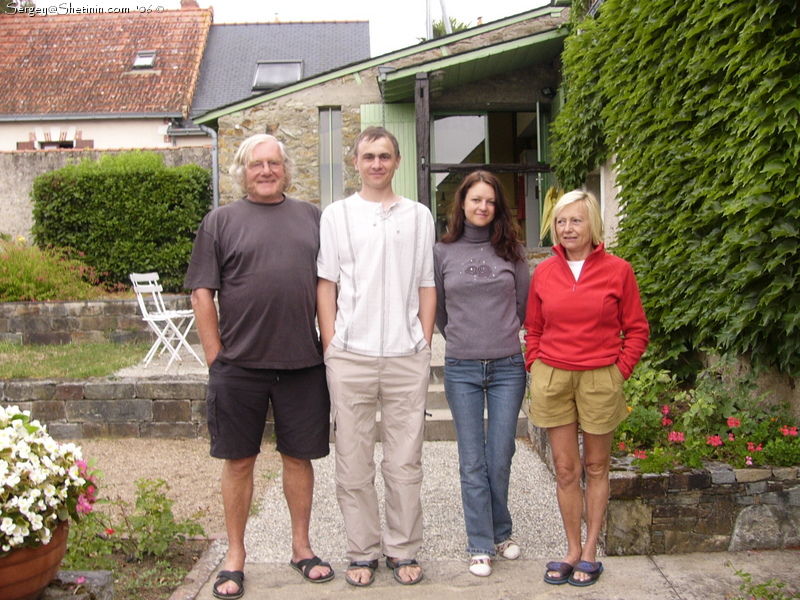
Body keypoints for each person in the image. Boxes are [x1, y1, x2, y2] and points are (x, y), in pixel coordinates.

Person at [185, 134, 334, 599]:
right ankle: (234, 556)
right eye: (256, 164)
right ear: (242, 171)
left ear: (286, 169)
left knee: (299, 457)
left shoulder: (313, 217)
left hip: (303, 362)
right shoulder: (220, 221)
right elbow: (201, 292)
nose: (266, 171)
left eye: (274, 163)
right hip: (240, 366)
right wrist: (216, 356)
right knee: (239, 461)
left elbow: (330, 285)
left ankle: (301, 547)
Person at [317, 126, 436, 587]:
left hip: (407, 356)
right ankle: (362, 551)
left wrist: (423, 344)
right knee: (352, 460)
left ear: (397, 161)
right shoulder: (337, 215)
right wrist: (331, 345)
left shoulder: (419, 215)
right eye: (368, 156)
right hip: (351, 355)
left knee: (405, 462)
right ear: (355, 162)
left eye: (384, 156)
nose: (376, 164)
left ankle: (403, 549)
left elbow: (427, 282)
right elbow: (326, 284)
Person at [524, 189, 649, 587]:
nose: (567, 228)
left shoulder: (618, 270)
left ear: (592, 224)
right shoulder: (544, 271)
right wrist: (537, 367)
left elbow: (637, 330)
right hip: (554, 378)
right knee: (565, 469)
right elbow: (535, 328)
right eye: (561, 221)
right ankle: (571, 549)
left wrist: (618, 372)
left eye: (575, 220)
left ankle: (591, 551)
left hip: (600, 378)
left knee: (595, 466)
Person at [433, 171, 529, 577]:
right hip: (462, 369)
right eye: (475, 200)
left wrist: (499, 334)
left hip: (508, 366)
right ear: (462, 204)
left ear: (497, 207)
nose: (482, 207)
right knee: (472, 459)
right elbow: (438, 310)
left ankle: (501, 531)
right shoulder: (442, 252)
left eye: (489, 201)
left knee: (501, 453)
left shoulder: (514, 252)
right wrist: (465, 337)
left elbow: (524, 306)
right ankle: (481, 543)